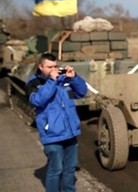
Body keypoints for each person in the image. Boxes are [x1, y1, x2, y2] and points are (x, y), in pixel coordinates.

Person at [26, 53, 88, 192]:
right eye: (49, 67)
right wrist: (52, 81)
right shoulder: (34, 83)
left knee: (70, 168)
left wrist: (74, 77)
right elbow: (37, 100)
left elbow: (82, 92)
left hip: (70, 133)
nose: (53, 69)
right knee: (56, 169)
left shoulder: (63, 80)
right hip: (52, 134)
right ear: (41, 67)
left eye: (55, 66)